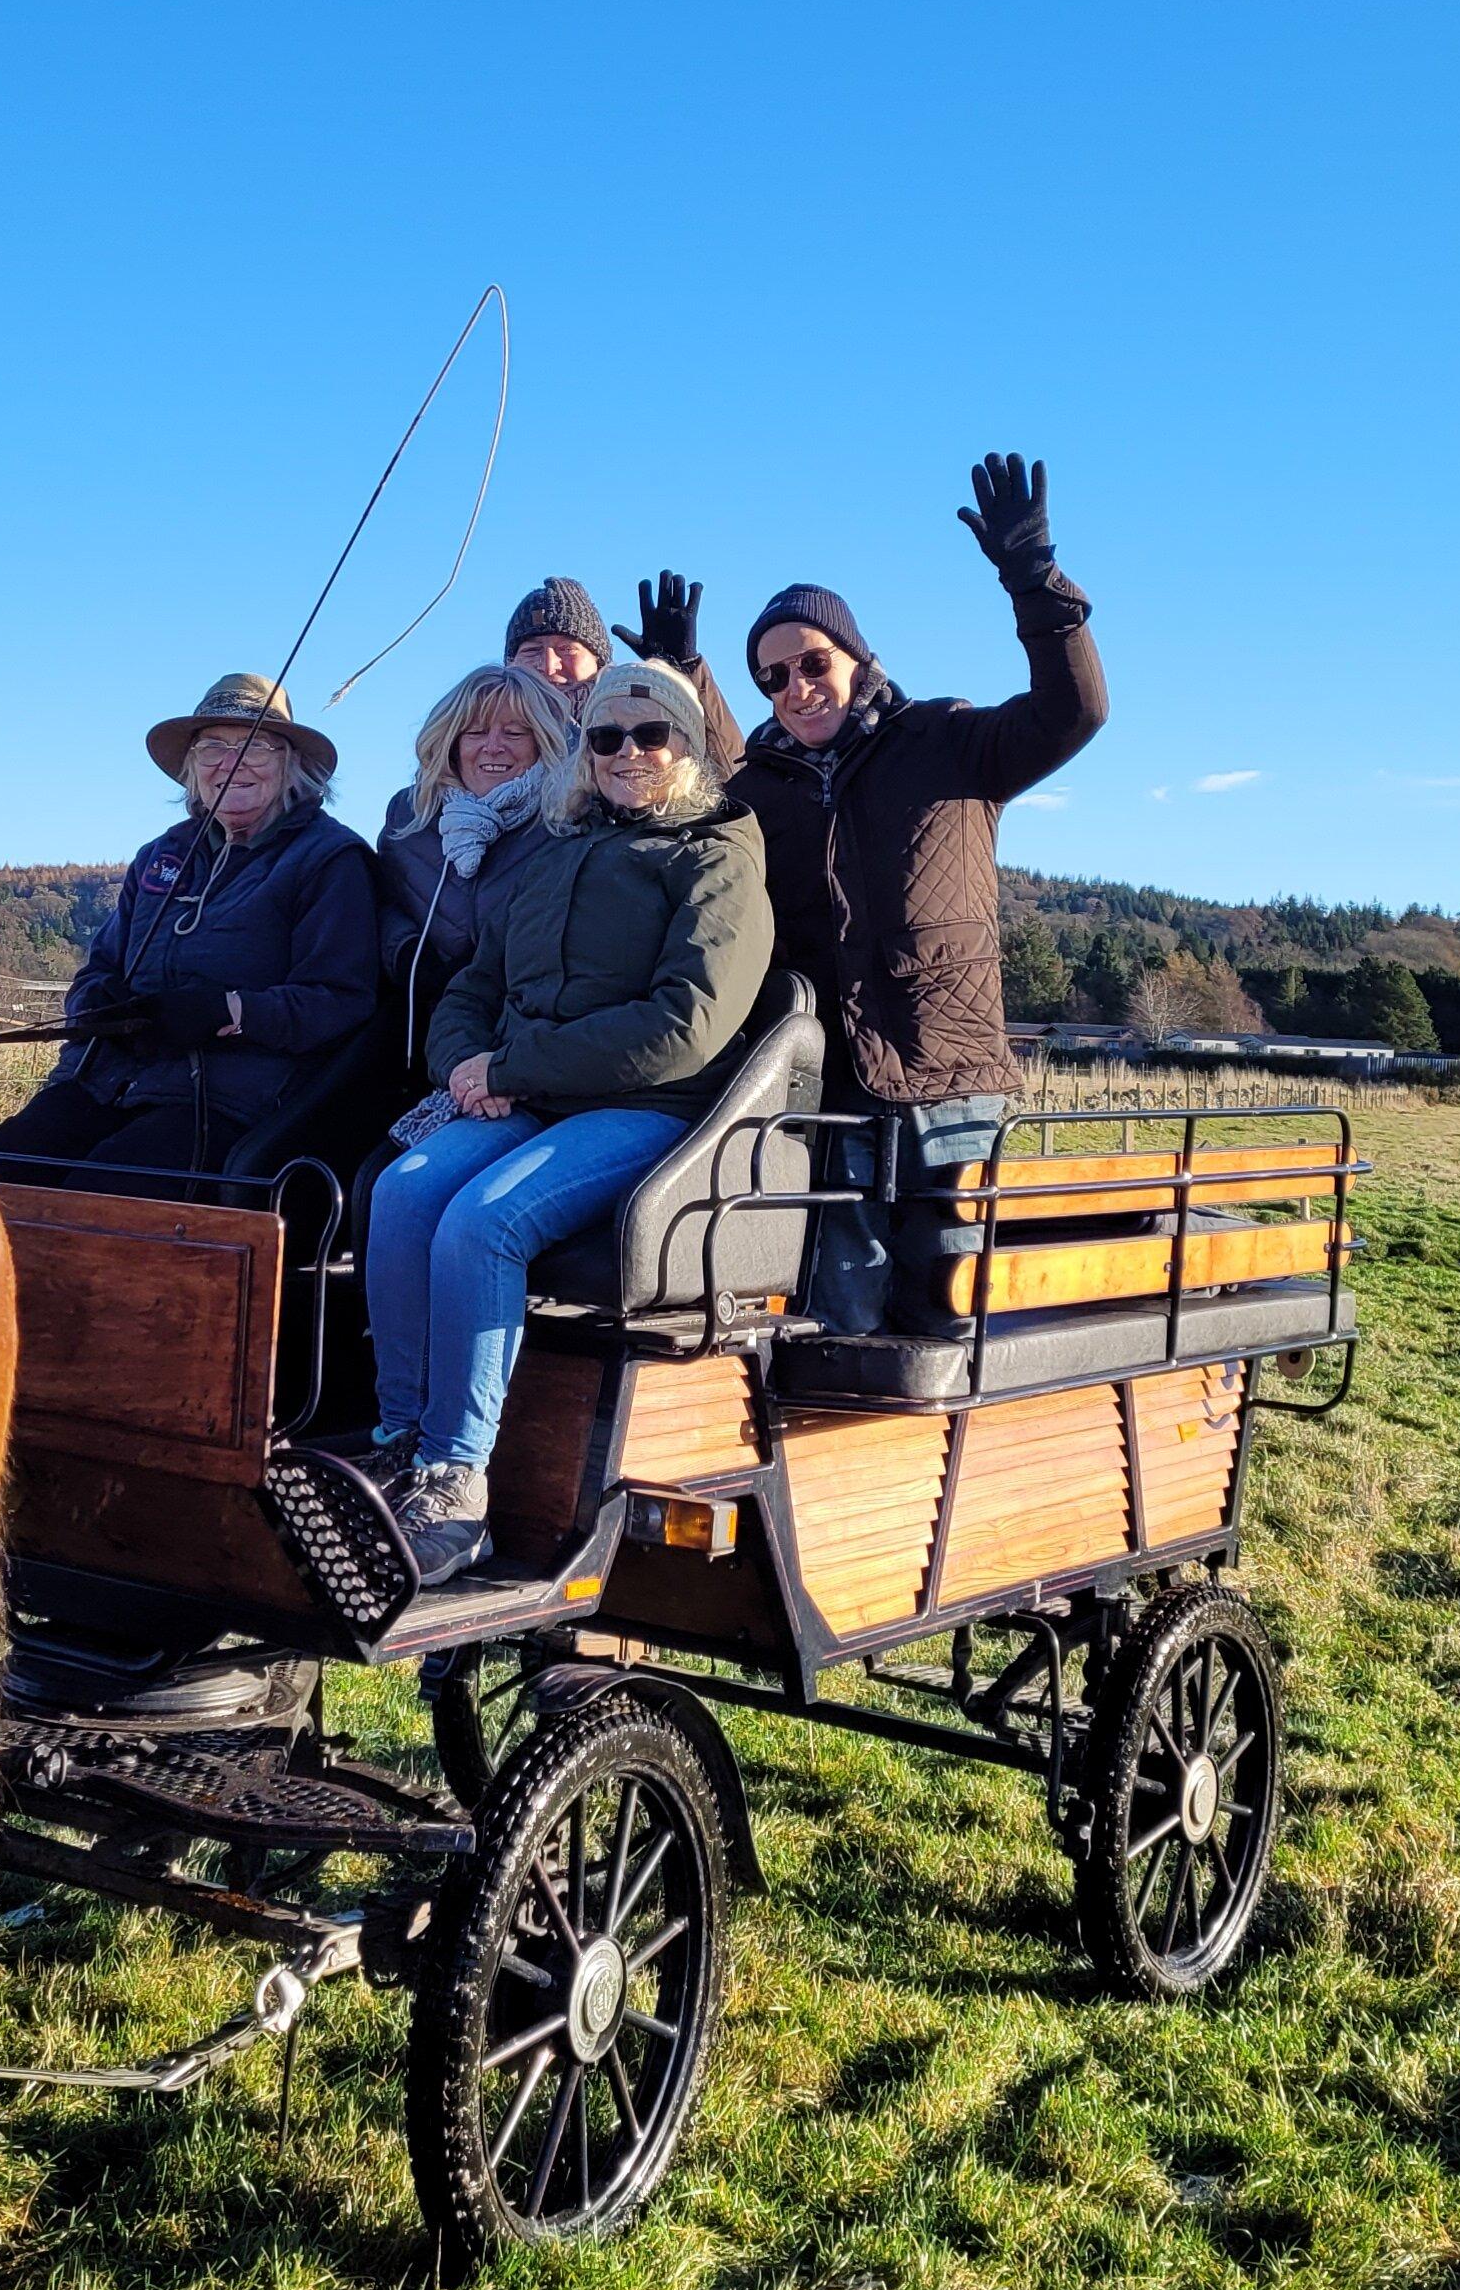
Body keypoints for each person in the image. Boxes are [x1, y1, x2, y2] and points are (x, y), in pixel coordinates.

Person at [364, 656, 771, 1581]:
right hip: (526, 1094)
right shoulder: (559, 848)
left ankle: (456, 1482)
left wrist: (513, 1065)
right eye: (605, 737)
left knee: (483, 1223)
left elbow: (686, 1025)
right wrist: (464, 1066)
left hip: (650, 1110)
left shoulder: (714, 860)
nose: (627, 752)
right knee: (403, 1191)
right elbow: (477, 981)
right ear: (582, 753)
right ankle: (398, 1435)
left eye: (650, 734)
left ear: (688, 745)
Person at [728, 455, 1108, 1324]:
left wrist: (1034, 578)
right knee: (840, 1315)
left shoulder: (944, 740)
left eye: (812, 662)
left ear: (857, 658)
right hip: (828, 1091)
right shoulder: (757, 791)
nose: (796, 688)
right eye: (772, 678)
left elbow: (1073, 712)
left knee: (954, 1306)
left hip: (951, 1080)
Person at [0, 671, 380, 1192]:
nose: (231, 763)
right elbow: (97, 970)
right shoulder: (160, 856)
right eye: (213, 745)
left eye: (256, 746)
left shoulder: (330, 859)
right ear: (191, 766)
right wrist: (98, 1002)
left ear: (292, 765)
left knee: (94, 1200)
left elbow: (341, 1000)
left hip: (225, 1105)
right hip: (104, 1083)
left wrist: (230, 1011)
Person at [376, 660, 574, 1083]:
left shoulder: (565, 823)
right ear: (451, 741)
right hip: (418, 1035)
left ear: (543, 742)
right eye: (476, 732)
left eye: (515, 733)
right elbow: (380, 901)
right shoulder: (410, 817)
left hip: (516, 1043)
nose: (494, 746)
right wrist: (406, 950)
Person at [504, 568, 745, 773]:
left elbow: (733, 782)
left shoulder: (639, 730)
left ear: (599, 662)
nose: (548, 665)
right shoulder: (481, 734)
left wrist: (683, 676)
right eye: (532, 651)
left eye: (567, 649)